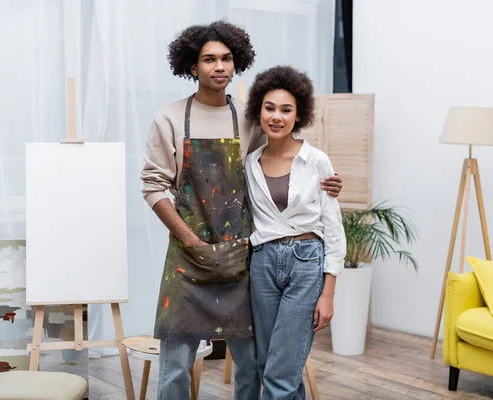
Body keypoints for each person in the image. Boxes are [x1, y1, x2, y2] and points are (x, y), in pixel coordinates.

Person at [140, 21, 343, 399]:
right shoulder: (168, 118)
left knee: (250, 368)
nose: (219, 66)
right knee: (174, 370)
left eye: (227, 58)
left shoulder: (248, 120)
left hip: (241, 261)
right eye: (209, 59)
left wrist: (327, 181)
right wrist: (189, 238)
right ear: (192, 67)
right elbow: (153, 186)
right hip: (187, 261)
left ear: (237, 63)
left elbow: (283, 159)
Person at [244, 65, 347, 400]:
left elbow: (332, 228)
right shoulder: (249, 163)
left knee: (281, 373)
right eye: (269, 108)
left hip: (306, 263)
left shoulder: (316, 160)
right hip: (262, 264)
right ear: (258, 111)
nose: (277, 116)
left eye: (286, 110)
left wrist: (328, 292)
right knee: (270, 365)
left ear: (298, 114)